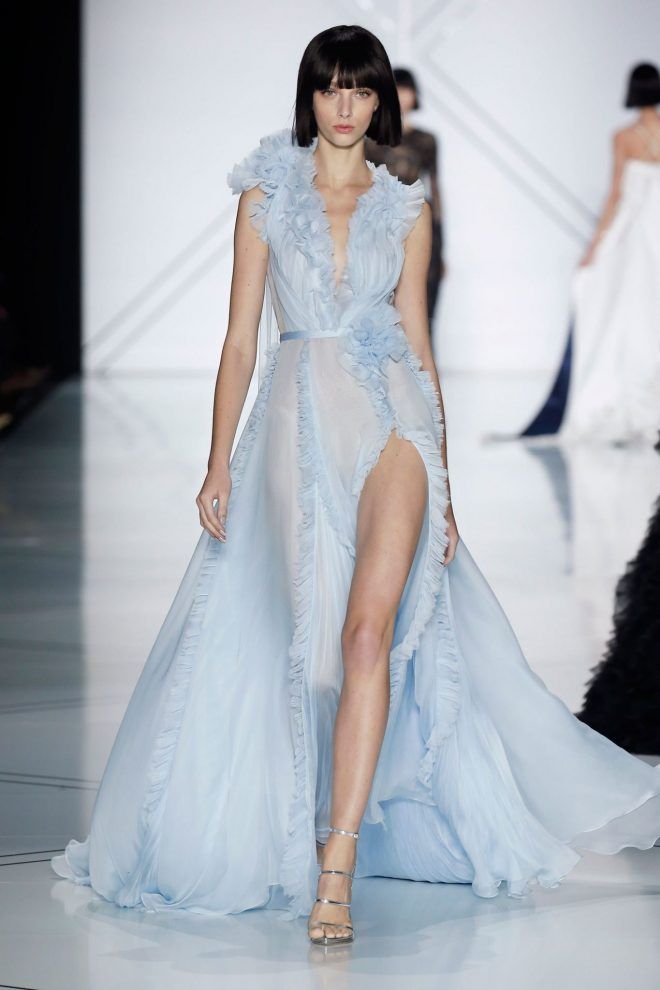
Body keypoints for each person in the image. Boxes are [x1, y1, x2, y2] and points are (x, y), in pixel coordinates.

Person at [51, 26, 660, 948]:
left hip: (392, 421)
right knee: (319, 657)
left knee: (369, 633)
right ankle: (323, 818)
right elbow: (240, 341)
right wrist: (216, 462)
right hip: (295, 421)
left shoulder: (406, 208)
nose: (346, 106)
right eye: (331, 88)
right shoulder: (264, 197)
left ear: (381, 103)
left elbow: (420, 347)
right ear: (310, 98)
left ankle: (334, 867)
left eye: (361, 90)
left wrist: (446, 483)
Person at [518, 62, 660, 444]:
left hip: (634, 233)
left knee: (625, 310)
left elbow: (616, 194)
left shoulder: (625, 136)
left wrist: (595, 246)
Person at [365, 68, 444, 336]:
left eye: (406, 89)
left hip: (421, 223)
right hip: (381, 226)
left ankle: (422, 360)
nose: (401, 95)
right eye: (396, 89)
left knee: (425, 305)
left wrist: (441, 242)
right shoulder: (370, 141)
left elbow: (436, 187)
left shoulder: (427, 140)